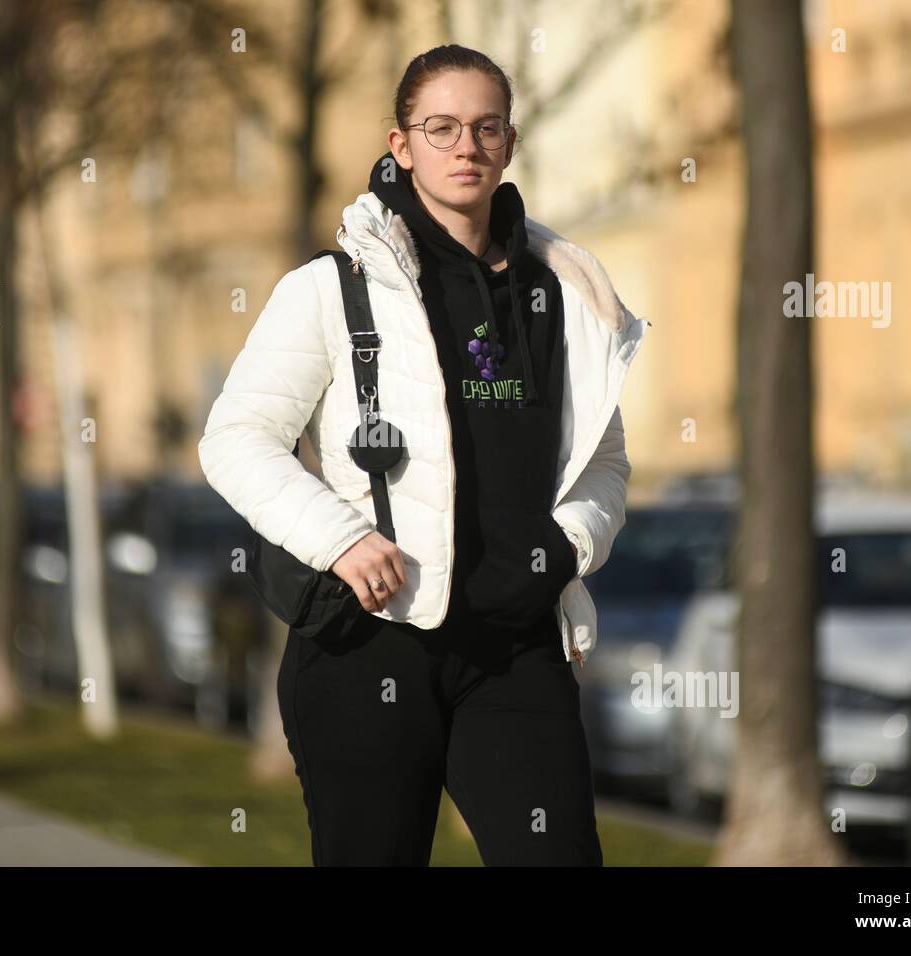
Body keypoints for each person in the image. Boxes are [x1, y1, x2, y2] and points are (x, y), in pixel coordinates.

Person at [199, 45, 650, 865]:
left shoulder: (567, 296)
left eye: (485, 128)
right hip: (372, 642)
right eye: (440, 128)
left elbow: (605, 463)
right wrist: (336, 538)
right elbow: (235, 439)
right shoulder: (331, 289)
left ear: (510, 143)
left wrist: (567, 547)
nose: (465, 146)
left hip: (517, 649)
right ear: (400, 145)